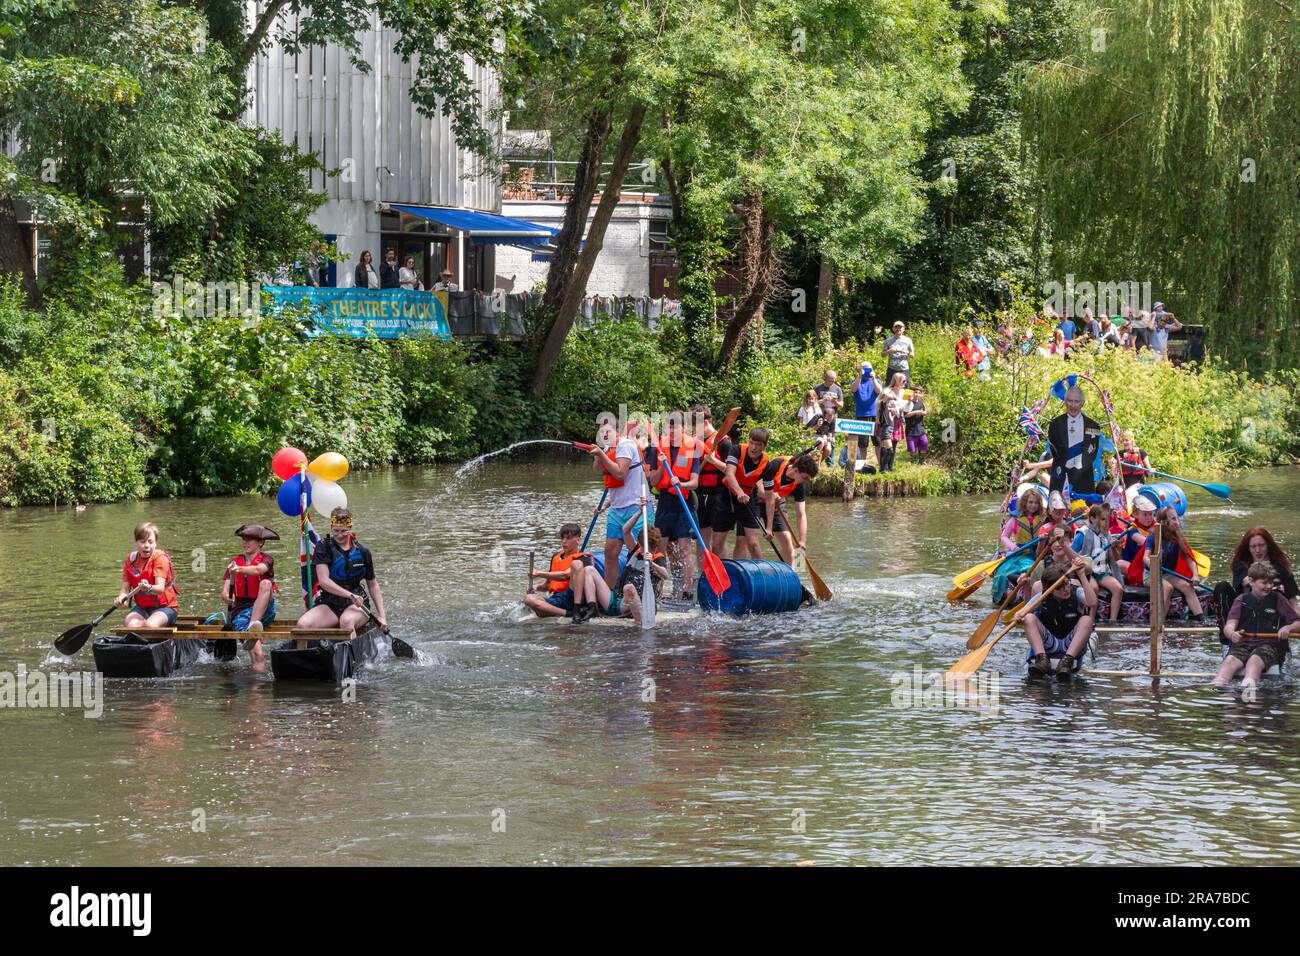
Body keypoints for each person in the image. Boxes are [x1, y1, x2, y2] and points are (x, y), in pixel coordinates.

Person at [295, 508, 389, 638]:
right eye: (336, 531)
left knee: (346, 621)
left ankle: (354, 656)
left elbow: (372, 584)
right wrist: (349, 595)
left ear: (350, 528)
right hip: (330, 602)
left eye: (344, 531)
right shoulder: (323, 547)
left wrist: (382, 616)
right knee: (302, 625)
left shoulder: (363, 551)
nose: (340, 535)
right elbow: (324, 581)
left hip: (358, 604)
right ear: (332, 528)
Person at [1212, 561, 1300, 688]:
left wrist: (1288, 627)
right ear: (1251, 582)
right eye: (1264, 583)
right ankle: (1219, 687)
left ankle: (1249, 688)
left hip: (1269, 646)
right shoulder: (1241, 600)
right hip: (1243, 645)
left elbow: (1297, 622)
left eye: (1271, 583)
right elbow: (1229, 626)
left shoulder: (1278, 599)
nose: (1269, 586)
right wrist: (1232, 634)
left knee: (1254, 660)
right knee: (1229, 661)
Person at [575, 509, 670, 625]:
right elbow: (625, 530)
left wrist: (651, 563)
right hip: (616, 601)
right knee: (589, 570)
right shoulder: (635, 549)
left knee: (628, 587)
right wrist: (640, 511)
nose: (645, 551)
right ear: (639, 544)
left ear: (655, 547)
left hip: (635, 604)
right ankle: (592, 608)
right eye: (643, 547)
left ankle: (640, 622)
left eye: (650, 548)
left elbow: (665, 575)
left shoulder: (658, 558)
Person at [587, 419, 649, 590]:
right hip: (616, 508)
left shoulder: (625, 445)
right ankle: (610, 594)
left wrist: (601, 454)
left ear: (617, 430)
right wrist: (599, 454)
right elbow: (598, 470)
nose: (604, 435)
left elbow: (620, 473)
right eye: (601, 432)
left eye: (607, 431)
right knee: (610, 553)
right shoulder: (607, 448)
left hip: (636, 507)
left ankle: (643, 590)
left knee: (638, 553)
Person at [646, 410, 702, 602]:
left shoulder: (692, 447)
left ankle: (687, 591)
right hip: (665, 503)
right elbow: (653, 480)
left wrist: (681, 484)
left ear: (682, 428)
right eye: (668, 427)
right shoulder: (657, 448)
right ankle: (662, 590)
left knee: (685, 548)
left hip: (684, 501)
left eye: (675, 427)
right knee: (663, 548)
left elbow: (695, 482)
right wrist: (661, 465)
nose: (671, 431)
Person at [1022, 564, 1096, 679]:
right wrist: (1018, 616)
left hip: (1070, 643)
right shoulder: (1042, 597)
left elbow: (1092, 603)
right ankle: (1042, 660)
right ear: (1049, 589)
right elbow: (1022, 613)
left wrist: (1082, 575)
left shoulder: (1077, 592)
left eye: (1067, 583)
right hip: (1049, 643)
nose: (1066, 589)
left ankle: (1067, 662)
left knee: (1087, 619)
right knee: (1028, 618)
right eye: (1060, 587)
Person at [222, 524, 280, 670]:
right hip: (241, 612)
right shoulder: (234, 562)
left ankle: (253, 626)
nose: (245, 543)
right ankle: (256, 690)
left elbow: (258, 570)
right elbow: (224, 592)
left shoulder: (267, 559)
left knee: (266, 583)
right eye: (243, 539)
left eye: (250, 539)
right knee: (258, 656)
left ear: (260, 542)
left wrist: (239, 569)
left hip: (265, 611)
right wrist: (227, 597)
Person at [1212, 528, 1299, 621]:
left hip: (1273, 613)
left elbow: (1293, 601)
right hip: (1244, 609)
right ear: (1248, 548)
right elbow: (1244, 583)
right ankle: (1226, 630)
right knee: (1222, 586)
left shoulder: (1281, 567)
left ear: (1268, 545)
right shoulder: (1240, 565)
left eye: (1261, 545)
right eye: (1253, 547)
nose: (1257, 550)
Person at [1143, 507, 1209, 625]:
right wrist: (1152, 564)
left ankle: (1201, 619)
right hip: (1151, 574)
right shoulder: (1153, 536)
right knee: (1168, 588)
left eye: (1177, 518)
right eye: (1173, 519)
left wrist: (1195, 575)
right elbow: (1145, 557)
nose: (1177, 521)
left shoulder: (1177, 537)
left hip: (1167, 574)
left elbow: (1190, 559)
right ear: (1164, 522)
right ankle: (1156, 622)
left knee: (1188, 587)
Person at [116, 522, 180, 629]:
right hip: (143, 607)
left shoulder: (160, 558)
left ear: (156, 543)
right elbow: (125, 589)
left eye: (150, 542)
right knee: (130, 624)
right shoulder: (130, 559)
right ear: (136, 542)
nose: (147, 546)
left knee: (150, 625)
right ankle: (140, 642)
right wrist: (121, 597)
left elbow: (159, 589)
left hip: (165, 608)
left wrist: (148, 587)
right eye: (142, 542)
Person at [722, 427, 771, 560]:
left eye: (758, 445)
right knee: (717, 543)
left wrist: (769, 527)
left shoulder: (767, 463)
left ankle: (763, 575)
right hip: (728, 497)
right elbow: (729, 473)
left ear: (764, 446)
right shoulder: (736, 450)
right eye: (751, 443)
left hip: (749, 499)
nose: (753, 448)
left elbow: (770, 497)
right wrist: (739, 492)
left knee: (753, 543)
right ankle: (723, 575)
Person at [525, 523, 591, 619]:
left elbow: (565, 575)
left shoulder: (583, 558)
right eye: (562, 538)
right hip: (557, 598)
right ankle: (566, 613)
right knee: (529, 599)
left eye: (568, 538)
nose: (564, 541)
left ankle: (570, 612)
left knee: (537, 607)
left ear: (578, 540)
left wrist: (539, 573)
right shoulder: (556, 557)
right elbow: (548, 586)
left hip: (572, 596)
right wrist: (535, 587)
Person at [691, 404, 733, 557]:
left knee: (718, 543)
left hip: (719, 496)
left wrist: (715, 461)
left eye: (695, 427)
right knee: (701, 543)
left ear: (705, 423)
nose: (694, 431)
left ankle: (725, 575)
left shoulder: (724, 443)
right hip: (700, 495)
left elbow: (733, 473)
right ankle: (704, 577)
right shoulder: (695, 442)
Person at [761, 453, 819, 564]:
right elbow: (758, 486)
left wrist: (802, 541)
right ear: (796, 470)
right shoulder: (776, 465)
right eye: (805, 477)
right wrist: (770, 495)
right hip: (756, 498)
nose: (805, 481)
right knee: (748, 540)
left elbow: (801, 514)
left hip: (777, 503)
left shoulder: (799, 485)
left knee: (787, 541)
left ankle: (793, 575)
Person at [1046, 385, 1101, 495]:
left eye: (1076, 401)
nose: (1073, 405)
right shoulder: (1055, 424)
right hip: (1060, 475)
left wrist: (1078, 472)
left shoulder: (1093, 425)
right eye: (1070, 401)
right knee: (1057, 508)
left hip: (1084, 476)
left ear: (1082, 403)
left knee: (1085, 510)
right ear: (1065, 402)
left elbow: (1092, 452)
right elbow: (1055, 451)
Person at [1072, 504, 1123, 622]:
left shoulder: (1107, 535)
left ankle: (1113, 621)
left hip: (1102, 570)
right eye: (1102, 519)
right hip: (1087, 571)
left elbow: (1115, 558)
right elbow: (1073, 553)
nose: (1105, 523)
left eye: (1106, 519)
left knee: (1118, 589)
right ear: (1092, 518)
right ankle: (1090, 620)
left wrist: (1116, 548)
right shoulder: (1082, 533)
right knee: (1093, 588)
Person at [845, 360, 882, 470]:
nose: (866, 370)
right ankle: (863, 466)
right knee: (863, 444)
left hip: (875, 415)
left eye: (868, 368)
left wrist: (874, 378)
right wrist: (859, 376)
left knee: (877, 442)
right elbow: (853, 389)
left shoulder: (877, 380)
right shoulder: (856, 381)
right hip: (861, 415)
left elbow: (879, 391)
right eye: (864, 368)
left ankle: (881, 465)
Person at [1116, 494, 1158, 582]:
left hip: (1149, 564)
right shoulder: (1133, 529)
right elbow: (1144, 542)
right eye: (1145, 515)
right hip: (1133, 564)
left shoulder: (1155, 526)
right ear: (1136, 514)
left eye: (1151, 514)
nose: (1149, 518)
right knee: (1119, 564)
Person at [904, 385, 929, 463]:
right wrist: (915, 412)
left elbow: (925, 411)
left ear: (921, 394)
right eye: (915, 392)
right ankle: (913, 460)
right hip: (910, 429)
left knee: (924, 442)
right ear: (912, 393)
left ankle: (922, 459)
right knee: (912, 447)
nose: (917, 394)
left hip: (920, 428)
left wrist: (923, 413)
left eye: (919, 393)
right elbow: (905, 415)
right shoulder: (908, 403)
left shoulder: (921, 403)